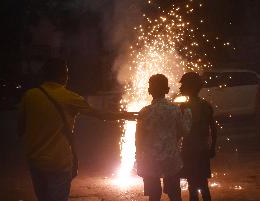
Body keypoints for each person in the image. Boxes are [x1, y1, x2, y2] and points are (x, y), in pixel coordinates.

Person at [18, 58, 133, 201]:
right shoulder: (70, 98)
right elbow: (100, 114)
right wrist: (127, 115)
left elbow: (20, 129)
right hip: (59, 162)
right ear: (63, 76)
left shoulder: (29, 96)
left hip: (35, 161)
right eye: (66, 73)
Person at [135, 74, 191, 201]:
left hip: (150, 159)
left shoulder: (144, 112)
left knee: (154, 195)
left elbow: (139, 139)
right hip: (171, 159)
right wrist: (187, 112)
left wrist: (139, 159)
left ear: (149, 91)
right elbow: (185, 131)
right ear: (167, 90)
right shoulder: (175, 110)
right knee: (175, 194)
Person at [179, 72, 217, 201]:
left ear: (190, 87)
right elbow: (213, 128)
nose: (180, 88)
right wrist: (212, 147)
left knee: (192, 186)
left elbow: (183, 130)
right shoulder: (205, 105)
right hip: (202, 150)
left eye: (182, 85)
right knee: (203, 184)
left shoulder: (185, 107)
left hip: (190, 151)